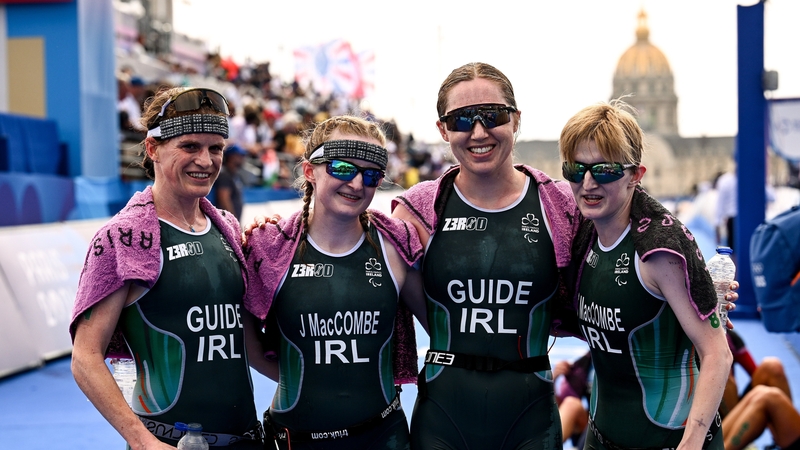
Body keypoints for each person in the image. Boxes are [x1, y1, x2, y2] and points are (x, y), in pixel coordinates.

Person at [390, 62, 581, 449]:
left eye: (492, 116)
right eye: (461, 120)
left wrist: (701, 289)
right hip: (444, 417)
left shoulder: (560, 205)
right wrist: (273, 234)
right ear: (442, 129)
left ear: (516, 120)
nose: (478, 132)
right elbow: (344, 249)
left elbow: (630, 243)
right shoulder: (418, 210)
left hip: (531, 418)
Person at [70, 87, 263, 449]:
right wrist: (142, 442)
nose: (205, 161)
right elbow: (85, 357)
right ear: (153, 149)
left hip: (248, 439)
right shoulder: (122, 238)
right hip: (166, 442)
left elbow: (251, 341)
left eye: (215, 148)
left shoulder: (228, 228)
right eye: (190, 146)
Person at [241, 115, 425, 449]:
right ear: (310, 170)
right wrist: (310, 381)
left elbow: (446, 328)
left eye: (371, 175)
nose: (357, 184)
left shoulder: (394, 247)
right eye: (342, 168)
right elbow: (249, 344)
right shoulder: (269, 248)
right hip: (297, 439)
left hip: (384, 437)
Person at [560, 99, 733, 449]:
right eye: (576, 170)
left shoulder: (658, 252)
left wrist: (693, 441)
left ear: (635, 175)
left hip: (673, 442)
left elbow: (718, 353)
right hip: (600, 436)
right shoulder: (582, 236)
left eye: (605, 170)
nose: (588, 183)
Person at [720, 329, 800, 450]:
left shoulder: (728, 337)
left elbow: (754, 373)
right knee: (764, 396)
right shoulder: (686, 341)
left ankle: (776, 431)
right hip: (702, 413)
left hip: (729, 409)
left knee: (772, 368)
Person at [215, 144, 247, 222]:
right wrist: (233, 221)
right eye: (239, 156)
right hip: (226, 221)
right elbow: (224, 198)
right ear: (231, 157)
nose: (242, 158)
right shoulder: (224, 175)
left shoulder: (234, 175)